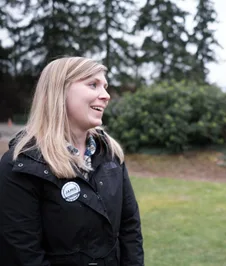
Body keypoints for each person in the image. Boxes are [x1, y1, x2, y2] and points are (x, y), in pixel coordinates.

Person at [0, 57, 144, 265]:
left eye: (105, 87)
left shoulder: (110, 153)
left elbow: (130, 229)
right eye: (93, 84)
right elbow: (22, 255)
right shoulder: (19, 166)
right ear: (59, 91)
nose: (105, 95)